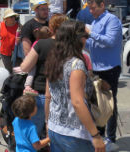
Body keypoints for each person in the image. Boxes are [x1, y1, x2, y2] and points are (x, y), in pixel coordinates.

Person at [45, 20, 105, 152]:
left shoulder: (53, 59)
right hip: (74, 133)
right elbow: (77, 102)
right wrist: (95, 135)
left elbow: (48, 96)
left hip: (55, 127)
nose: (86, 40)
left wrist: (47, 122)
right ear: (76, 39)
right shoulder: (76, 64)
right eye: (85, 36)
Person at [17, 13, 65, 139]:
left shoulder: (41, 44)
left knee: (36, 133)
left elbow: (25, 67)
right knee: (59, 133)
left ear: (51, 27)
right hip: (64, 95)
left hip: (41, 91)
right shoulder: (70, 46)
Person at [85, 0, 122, 151]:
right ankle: (99, 134)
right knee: (97, 103)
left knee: (109, 104)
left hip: (109, 68)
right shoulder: (95, 21)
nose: (91, 11)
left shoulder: (111, 20)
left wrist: (90, 33)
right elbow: (91, 46)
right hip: (97, 68)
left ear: (102, 5)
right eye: (89, 9)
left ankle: (111, 137)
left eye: (93, 8)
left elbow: (110, 41)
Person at [0, 9, 20, 73]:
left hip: (16, 52)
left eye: (14, 16)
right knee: (9, 70)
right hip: (5, 53)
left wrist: (20, 39)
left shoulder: (19, 26)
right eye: (11, 17)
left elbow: (25, 38)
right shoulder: (0, 26)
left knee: (17, 70)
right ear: (6, 18)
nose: (13, 18)